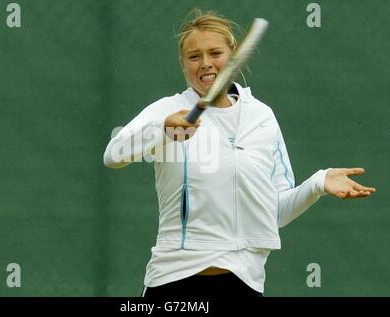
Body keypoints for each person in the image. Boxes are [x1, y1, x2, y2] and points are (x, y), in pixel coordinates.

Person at [103, 10, 376, 298]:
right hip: (173, 280)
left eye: (215, 53)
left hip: (244, 280)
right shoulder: (168, 109)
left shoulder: (262, 117)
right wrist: (162, 129)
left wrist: (318, 184)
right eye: (194, 56)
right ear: (183, 64)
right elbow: (113, 155)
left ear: (233, 56)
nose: (206, 63)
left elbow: (276, 213)